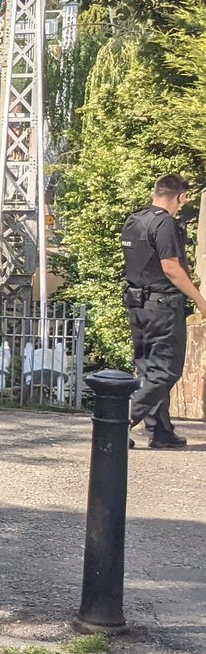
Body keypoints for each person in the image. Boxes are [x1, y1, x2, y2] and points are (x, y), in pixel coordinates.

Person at [121, 174, 206, 448]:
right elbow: (171, 269)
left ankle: (161, 432)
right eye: (183, 201)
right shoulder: (165, 223)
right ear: (179, 197)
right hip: (162, 307)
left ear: (154, 193)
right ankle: (119, 422)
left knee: (149, 368)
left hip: (137, 305)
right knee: (165, 370)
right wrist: (201, 302)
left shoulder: (135, 220)